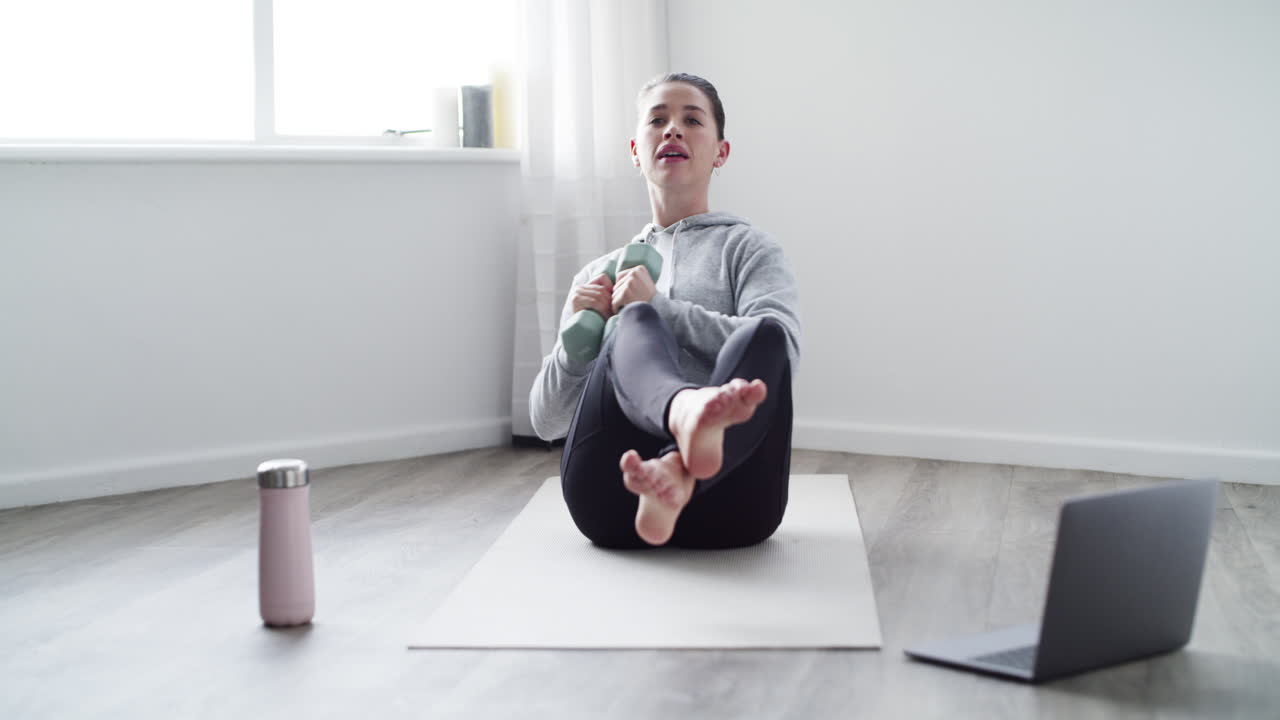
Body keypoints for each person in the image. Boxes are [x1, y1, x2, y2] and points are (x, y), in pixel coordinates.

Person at [528, 72, 801, 549]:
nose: (672, 129)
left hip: (736, 501)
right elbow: (546, 422)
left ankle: (680, 462)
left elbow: (782, 365)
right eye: (658, 120)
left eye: (691, 120)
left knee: (769, 334)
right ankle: (682, 420)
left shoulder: (750, 249)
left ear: (720, 152)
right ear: (636, 150)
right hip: (614, 496)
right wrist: (577, 341)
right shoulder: (599, 274)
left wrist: (660, 306)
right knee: (633, 321)